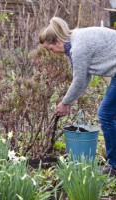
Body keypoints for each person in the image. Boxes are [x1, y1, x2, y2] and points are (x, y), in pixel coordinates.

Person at [39, 16, 116, 174]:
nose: (53, 53)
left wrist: (65, 103)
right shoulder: (74, 41)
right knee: (109, 114)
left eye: (51, 49)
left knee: (105, 114)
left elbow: (80, 80)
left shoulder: (78, 47)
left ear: (57, 42)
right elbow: (83, 78)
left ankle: (114, 165)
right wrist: (69, 101)